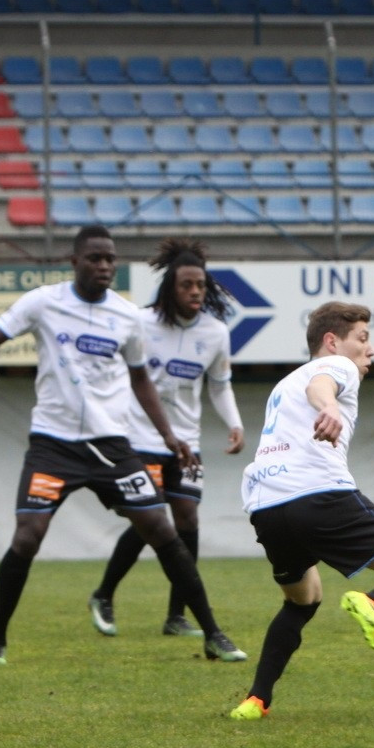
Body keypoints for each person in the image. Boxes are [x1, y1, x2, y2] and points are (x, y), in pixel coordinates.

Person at [0, 225, 246, 665]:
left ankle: (212, 633)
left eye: (110, 260)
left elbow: (141, 381)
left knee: (163, 529)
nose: (104, 266)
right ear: (75, 261)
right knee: (28, 536)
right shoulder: (44, 302)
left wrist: (169, 436)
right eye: (95, 258)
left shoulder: (126, 316)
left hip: (112, 447)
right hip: (53, 445)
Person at [230, 302, 374, 720]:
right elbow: (324, 386)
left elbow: (314, 388)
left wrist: (325, 402)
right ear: (332, 341)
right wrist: (329, 407)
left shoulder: (284, 383)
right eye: (363, 339)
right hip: (317, 496)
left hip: (267, 508)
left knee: (301, 601)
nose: (371, 351)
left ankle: (256, 700)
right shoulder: (337, 366)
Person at [88, 238, 245, 638]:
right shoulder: (139, 323)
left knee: (187, 519)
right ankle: (103, 595)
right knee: (150, 520)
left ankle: (177, 615)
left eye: (201, 285)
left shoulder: (214, 332)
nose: (195, 292)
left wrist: (235, 423)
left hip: (186, 442)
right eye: (186, 285)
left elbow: (220, 385)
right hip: (139, 437)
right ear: (169, 288)